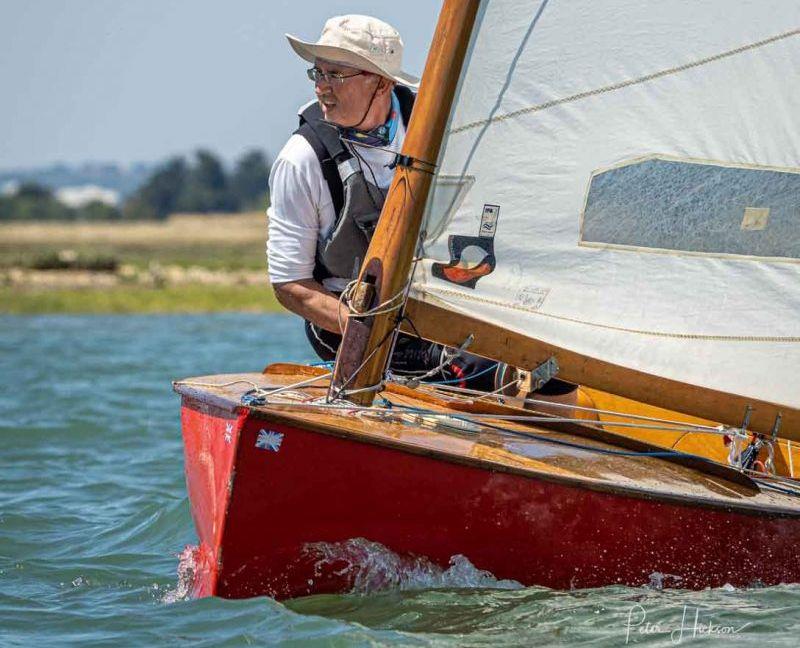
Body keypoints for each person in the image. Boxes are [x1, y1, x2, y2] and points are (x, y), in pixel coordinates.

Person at [267, 14, 496, 388]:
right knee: (480, 371)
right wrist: (367, 330)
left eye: (335, 75)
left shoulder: (440, 125)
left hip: (442, 304)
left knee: (549, 371)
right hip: (349, 318)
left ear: (383, 82)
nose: (322, 87)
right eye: (318, 73)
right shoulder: (302, 159)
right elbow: (290, 284)